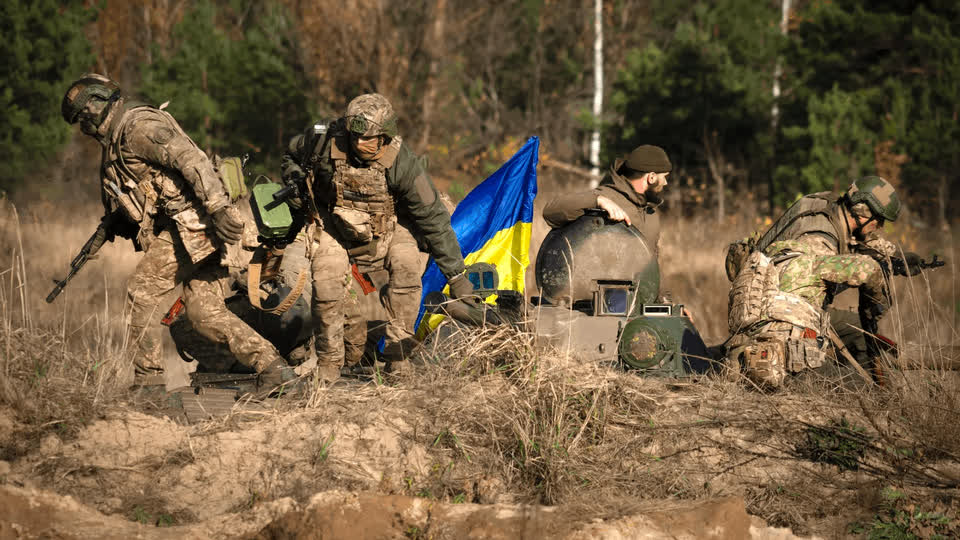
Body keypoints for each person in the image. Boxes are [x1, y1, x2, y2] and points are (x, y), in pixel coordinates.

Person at [61, 74, 294, 392]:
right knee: (203, 313)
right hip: (195, 227)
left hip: (195, 225)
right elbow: (146, 194)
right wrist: (115, 223)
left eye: (83, 117)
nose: (84, 128)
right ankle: (273, 369)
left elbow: (192, 160)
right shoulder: (116, 143)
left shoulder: (137, 126)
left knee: (140, 293)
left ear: (95, 107)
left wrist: (219, 209)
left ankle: (149, 385)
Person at [280, 93, 472, 381]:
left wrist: (456, 276)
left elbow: (433, 219)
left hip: (391, 226)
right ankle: (329, 364)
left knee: (407, 270)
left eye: (368, 138)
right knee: (327, 281)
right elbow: (290, 156)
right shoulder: (323, 140)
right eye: (354, 136)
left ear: (385, 135)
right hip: (335, 224)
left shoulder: (402, 163)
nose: (359, 143)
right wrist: (295, 178)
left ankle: (398, 358)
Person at [726, 175, 909, 388]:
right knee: (861, 388)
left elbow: (856, 244)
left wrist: (894, 259)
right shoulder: (818, 240)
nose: (879, 226)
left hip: (757, 320)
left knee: (856, 329)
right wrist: (876, 308)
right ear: (862, 211)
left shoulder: (817, 208)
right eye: (878, 219)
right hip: (785, 346)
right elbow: (866, 270)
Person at [543, 144, 671, 251]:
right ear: (652, 177)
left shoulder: (651, 213)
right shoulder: (606, 198)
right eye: (664, 177)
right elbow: (550, 212)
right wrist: (598, 200)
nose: (665, 183)